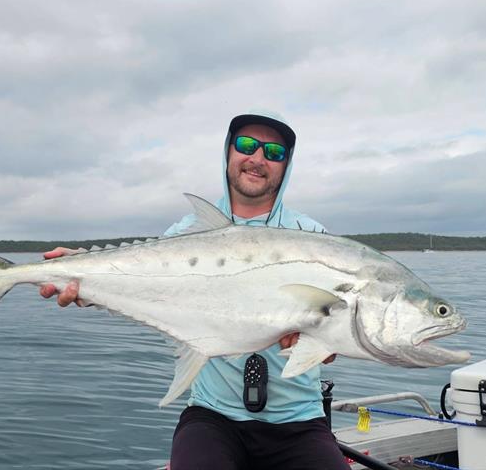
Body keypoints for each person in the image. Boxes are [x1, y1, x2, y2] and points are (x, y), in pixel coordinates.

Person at [40, 111, 350, 470]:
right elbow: (139, 276)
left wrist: (323, 346)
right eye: (247, 145)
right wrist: (83, 275)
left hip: (298, 420)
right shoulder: (186, 233)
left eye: (274, 152)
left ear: (287, 165)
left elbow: (335, 337)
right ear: (228, 151)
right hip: (212, 416)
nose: (258, 158)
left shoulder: (314, 238)